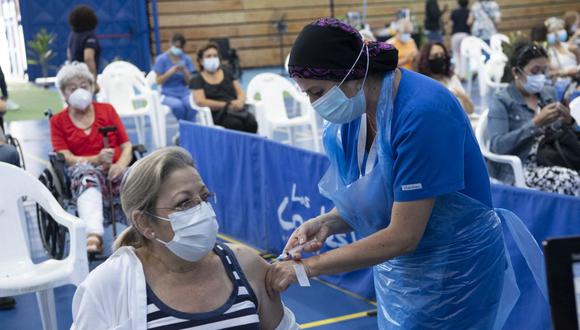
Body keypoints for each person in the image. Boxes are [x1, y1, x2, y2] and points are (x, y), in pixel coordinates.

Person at [268, 17, 546, 329]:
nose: (314, 104)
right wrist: (325, 223)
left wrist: (306, 268)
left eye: (317, 92)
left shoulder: (423, 113)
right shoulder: (348, 120)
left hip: (457, 272)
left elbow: (404, 235)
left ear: (353, 75)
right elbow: (375, 201)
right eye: (307, 94)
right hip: (399, 272)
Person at [71, 147, 298, 329]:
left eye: (204, 197)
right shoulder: (108, 285)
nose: (201, 210)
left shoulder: (246, 266)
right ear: (144, 223)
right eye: (184, 203)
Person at [51, 62, 133, 254]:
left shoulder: (107, 110)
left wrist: (120, 165)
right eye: (73, 88)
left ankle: (140, 228)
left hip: (114, 168)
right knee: (87, 175)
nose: (80, 91)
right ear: (64, 93)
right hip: (82, 168)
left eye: (84, 86)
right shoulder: (58, 121)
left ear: (92, 87)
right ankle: (93, 234)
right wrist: (96, 159)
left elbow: (127, 145)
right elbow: (66, 156)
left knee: (134, 178)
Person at [487, 43, 579, 196]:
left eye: (544, 70)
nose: (541, 76)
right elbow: (497, 146)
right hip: (523, 166)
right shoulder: (502, 100)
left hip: (554, 156)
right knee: (572, 181)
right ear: (517, 72)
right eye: (535, 71)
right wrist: (536, 123)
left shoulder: (547, 93)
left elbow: (566, 133)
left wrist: (568, 121)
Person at [191, 43, 258, 133]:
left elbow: (240, 92)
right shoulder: (197, 79)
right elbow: (200, 101)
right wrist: (226, 105)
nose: (212, 58)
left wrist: (240, 102)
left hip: (236, 110)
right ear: (201, 61)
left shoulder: (227, 72)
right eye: (208, 56)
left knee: (252, 122)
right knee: (235, 124)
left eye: (215, 55)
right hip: (218, 114)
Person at [416, 42, 475, 114]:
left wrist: (463, 97)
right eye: (435, 56)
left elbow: (470, 111)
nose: (440, 58)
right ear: (426, 59)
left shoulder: (451, 79)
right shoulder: (421, 83)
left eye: (442, 55)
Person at [154, 33, 197, 122]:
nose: (178, 49)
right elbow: (158, 81)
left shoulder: (186, 59)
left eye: (180, 47)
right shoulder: (161, 59)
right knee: (178, 106)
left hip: (184, 92)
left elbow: (190, 83)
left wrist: (185, 71)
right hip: (167, 93)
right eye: (176, 46)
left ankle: (189, 128)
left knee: (191, 105)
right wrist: (171, 71)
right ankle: (186, 128)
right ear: (171, 44)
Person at [67, 5, 100, 83]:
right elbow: (88, 58)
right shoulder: (90, 36)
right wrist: (93, 81)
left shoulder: (73, 34)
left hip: (75, 76)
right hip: (85, 79)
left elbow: (69, 54)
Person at [450, 0, 471, 79]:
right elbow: (469, 22)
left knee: (455, 54)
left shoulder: (454, 12)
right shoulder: (469, 11)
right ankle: (464, 74)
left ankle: (457, 73)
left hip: (455, 34)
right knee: (464, 55)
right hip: (465, 34)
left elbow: (451, 24)